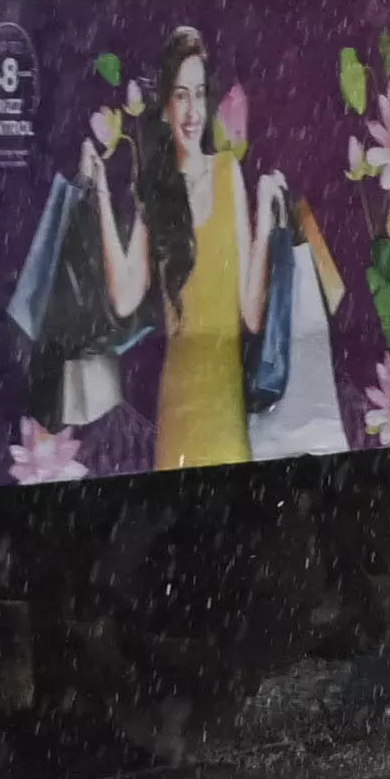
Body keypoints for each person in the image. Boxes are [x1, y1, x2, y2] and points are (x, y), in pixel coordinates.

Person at [88, 30, 271, 468]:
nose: (192, 112)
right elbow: (126, 294)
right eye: (181, 96)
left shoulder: (229, 173)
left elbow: (251, 313)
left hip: (226, 409)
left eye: (200, 95)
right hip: (178, 412)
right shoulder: (157, 191)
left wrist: (263, 216)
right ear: (167, 108)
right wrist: (99, 192)